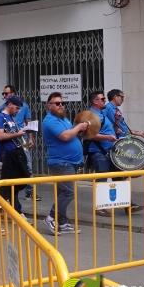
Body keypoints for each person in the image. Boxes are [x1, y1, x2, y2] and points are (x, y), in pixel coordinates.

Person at [42, 92, 90, 235]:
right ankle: (51, 217)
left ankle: (62, 223)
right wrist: (79, 127)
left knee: (63, 192)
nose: (61, 105)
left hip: (69, 162)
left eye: (62, 103)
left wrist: (81, 130)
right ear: (48, 105)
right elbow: (65, 136)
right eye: (57, 103)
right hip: (61, 162)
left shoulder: (63, 119)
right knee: (68, 193)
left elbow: (72, 134)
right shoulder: (50, 121)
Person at [0, 96, 30, 214]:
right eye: (17, 108)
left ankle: (8, 206)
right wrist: (17, 134)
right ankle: (12, 209)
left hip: (16, 152)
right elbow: (0, 136)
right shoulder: (0, 117)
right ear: (9, 104)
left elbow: (14, 134)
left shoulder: (11, 118)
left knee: (19, 180)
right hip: (6, 154)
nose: (18, 111)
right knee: (8, 183)